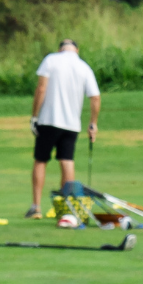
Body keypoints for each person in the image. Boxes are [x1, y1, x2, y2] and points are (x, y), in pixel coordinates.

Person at [27, 38, 102, 218]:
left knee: (41, 160)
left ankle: (36, 207)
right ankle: (68, 208)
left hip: (48, 119)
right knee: (67, 160)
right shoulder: (84, 67)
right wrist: (93, 123)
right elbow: (95, 97)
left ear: (60, 49)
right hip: (71, 123)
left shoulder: (51, 60)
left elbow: (41, 88)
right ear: (77, 50)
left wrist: (34, 116)